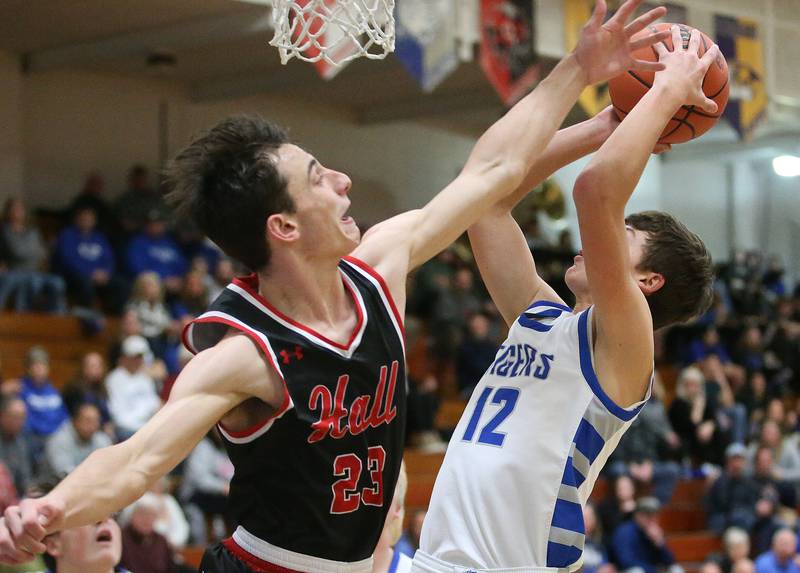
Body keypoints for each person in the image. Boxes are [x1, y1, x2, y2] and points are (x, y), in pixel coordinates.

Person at [0, 3, 670, 570]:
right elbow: (137, 457)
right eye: (319, 176)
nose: (343, 181)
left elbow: (491, 173)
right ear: (284, 226)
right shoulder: (246, 352)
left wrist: (578, 69)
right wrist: (49, 509)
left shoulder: (380, 267)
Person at [413, 16, 718, 573]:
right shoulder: (538, 318)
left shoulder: (625, 342)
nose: (591, 240)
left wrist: (667, 94)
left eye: (623, 234)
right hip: (438, 559)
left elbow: (596, 190)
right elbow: (487, 200)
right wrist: (604, 124)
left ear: (647, 282)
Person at [44, 404, 112, 479]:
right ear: (75, 421)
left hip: (91, 484)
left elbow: (109, 468)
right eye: (88, 421)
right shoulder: (58, 441)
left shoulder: (102, 439)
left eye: (96, 421)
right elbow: (65, 473)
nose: (92, 426)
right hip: (54, 486)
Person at [610, 498, 678, 573]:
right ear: (637, 515)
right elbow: (626, 562)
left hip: (650, 569)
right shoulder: (624, 532)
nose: (652, 519)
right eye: (648, 515)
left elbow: (670, 561)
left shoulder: (655, 532)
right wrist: (654, 570)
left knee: (676, 569)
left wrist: (659, 543)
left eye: (654, 515)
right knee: (636, 571)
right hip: (626, 570)